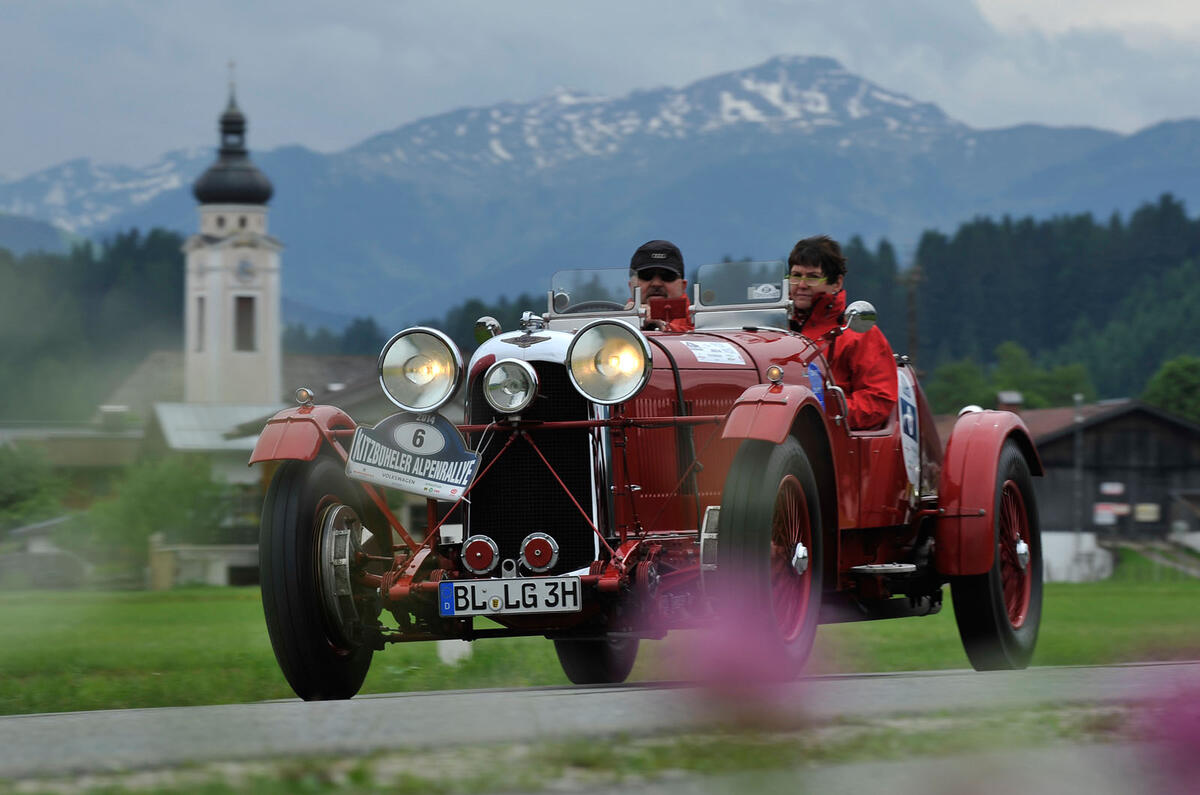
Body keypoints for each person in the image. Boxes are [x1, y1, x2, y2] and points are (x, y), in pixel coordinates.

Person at [787, 235, 897, 430]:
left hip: (834, 439)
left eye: (812, 277)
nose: (801, 285)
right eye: (796, 275)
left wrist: (825, 414)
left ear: (837, 283)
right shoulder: (772, 330)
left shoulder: (858, 332)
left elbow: (879, 399)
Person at [628, 239, 693, 331]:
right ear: (631, 286)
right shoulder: (613, 328)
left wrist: (662, 326)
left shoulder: (703, 325)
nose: (656, 284)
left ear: (683, 286)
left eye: (667, 275)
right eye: (646, 275)